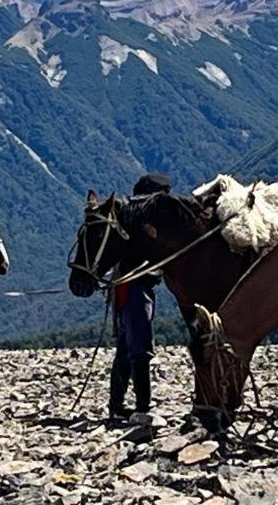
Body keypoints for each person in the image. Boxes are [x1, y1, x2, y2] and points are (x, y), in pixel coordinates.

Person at [108, 172, 169, 425]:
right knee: (139, 346)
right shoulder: (142, 222)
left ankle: (117, 405)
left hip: (125, 287)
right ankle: (142, 405)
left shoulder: (128, 217)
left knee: (126, 346)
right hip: (135, 287)